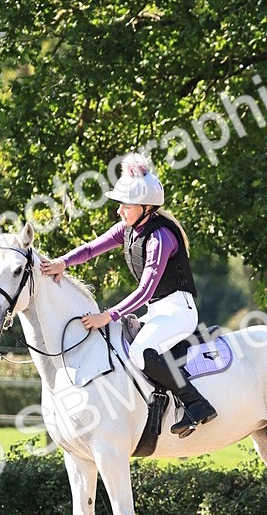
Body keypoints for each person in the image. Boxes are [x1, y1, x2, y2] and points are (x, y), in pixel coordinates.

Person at [40, 153, 217, 437]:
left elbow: (146, 289)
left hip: (178, 311)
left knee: (140, 352)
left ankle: (197, 405)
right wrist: (62, 262)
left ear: (146, 207)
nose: (119, 211)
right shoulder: (129, 228)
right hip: (158, 311)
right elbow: (90, 249)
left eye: (125, 205)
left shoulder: (161, 238)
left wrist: (106, 316)